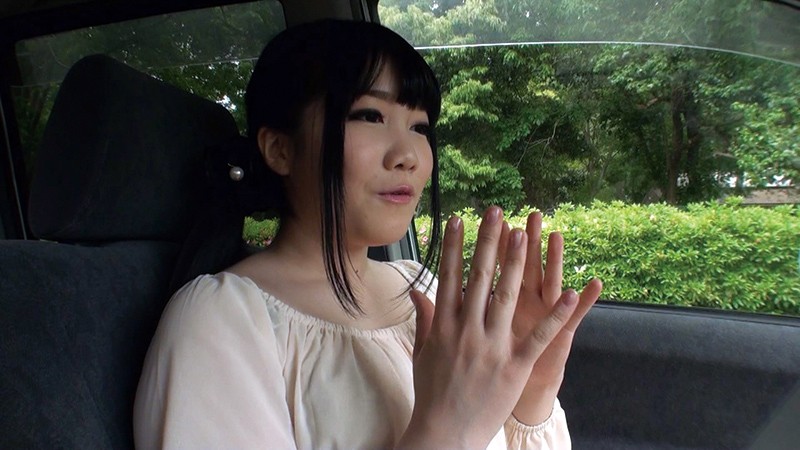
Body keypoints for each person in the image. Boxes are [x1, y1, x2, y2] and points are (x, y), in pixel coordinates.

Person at [133, 19, 602, 449]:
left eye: (419, 126)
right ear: (280, 149)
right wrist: (446, 428)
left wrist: (533, 387)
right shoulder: (220, 322)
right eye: (370, 116)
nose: (408, 155)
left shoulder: (421, 286)